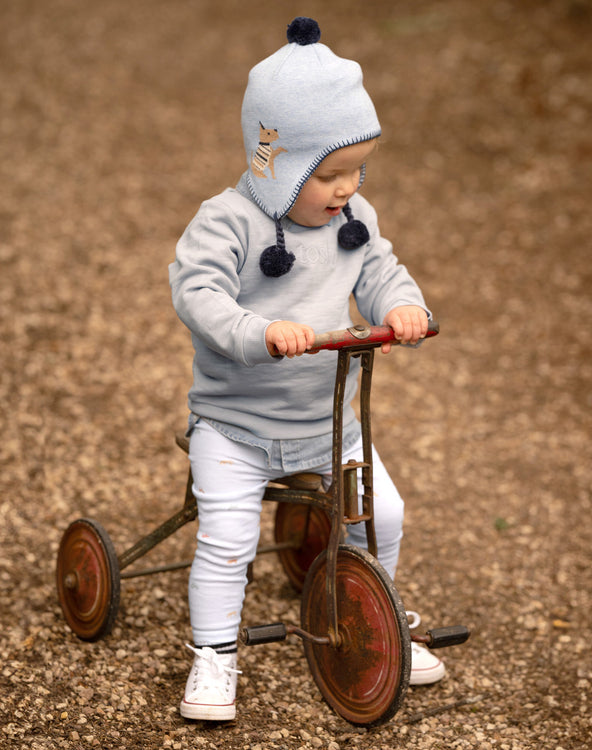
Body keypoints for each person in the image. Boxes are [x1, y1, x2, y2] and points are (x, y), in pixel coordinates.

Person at [169, 17, 445, 722]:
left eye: (357, 170)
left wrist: (403, 307)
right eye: (326, 174)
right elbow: (195, 293)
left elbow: (381, 271)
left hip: (329, 426)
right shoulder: (227, 221)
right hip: (237, 425)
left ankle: (379, 617)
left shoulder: (355, 217)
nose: (346, 188)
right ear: (275, 163)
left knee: (383, 511)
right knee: (228, 537)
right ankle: (214, 653)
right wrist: (260, 332)